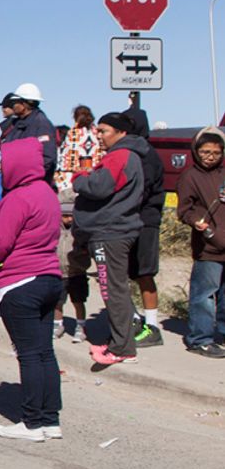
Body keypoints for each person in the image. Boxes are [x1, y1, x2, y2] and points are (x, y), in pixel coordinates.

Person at [0, 139, 65, 441]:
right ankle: (50, 419)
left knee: (28, 355)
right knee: (44, 353)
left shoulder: (16, 199)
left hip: (20, 282)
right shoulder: (48, 194)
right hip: (50, 278)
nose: (1, 169)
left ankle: (31, 422)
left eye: (4, 163)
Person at [74, 112, 145, 369]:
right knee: (114, 288)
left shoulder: (120, 156)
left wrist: (80, 178)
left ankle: (123, 348)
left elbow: (98, 187)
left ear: (121, 133)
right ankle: (119, 340)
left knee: (112, 289)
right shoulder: (126, 156)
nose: (99, 136)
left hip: (111, 232)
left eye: (104, 131)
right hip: (112, 230)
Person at [176, 126, 225, 358]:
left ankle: (222, 335)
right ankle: (200, 339)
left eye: (216, 153)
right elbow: (184, 210)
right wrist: (197, 222)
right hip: (208, 246)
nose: (210, 157)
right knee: (204, 295)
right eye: (205, 152)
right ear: (196, 151)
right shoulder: (190, 177)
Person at [119, 113, 165, 347]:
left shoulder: (145, 153)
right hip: (129, 221)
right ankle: (136, 319)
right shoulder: (132, 151)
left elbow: (141, 189)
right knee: (123, 273)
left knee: (144, 273)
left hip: (144, 221)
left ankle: (152, 327)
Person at [0, 82, 58, 177]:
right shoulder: (14, 124)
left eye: (15, 102)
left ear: (25, 103)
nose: (13, 106)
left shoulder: (41, 125)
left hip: (30, 183)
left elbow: (47, 158)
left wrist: (30, 178)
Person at [55, 105, 105, 194]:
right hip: (95, 176)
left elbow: (64, 159)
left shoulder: (73, 133)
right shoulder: (98, 133)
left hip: (73, 178)